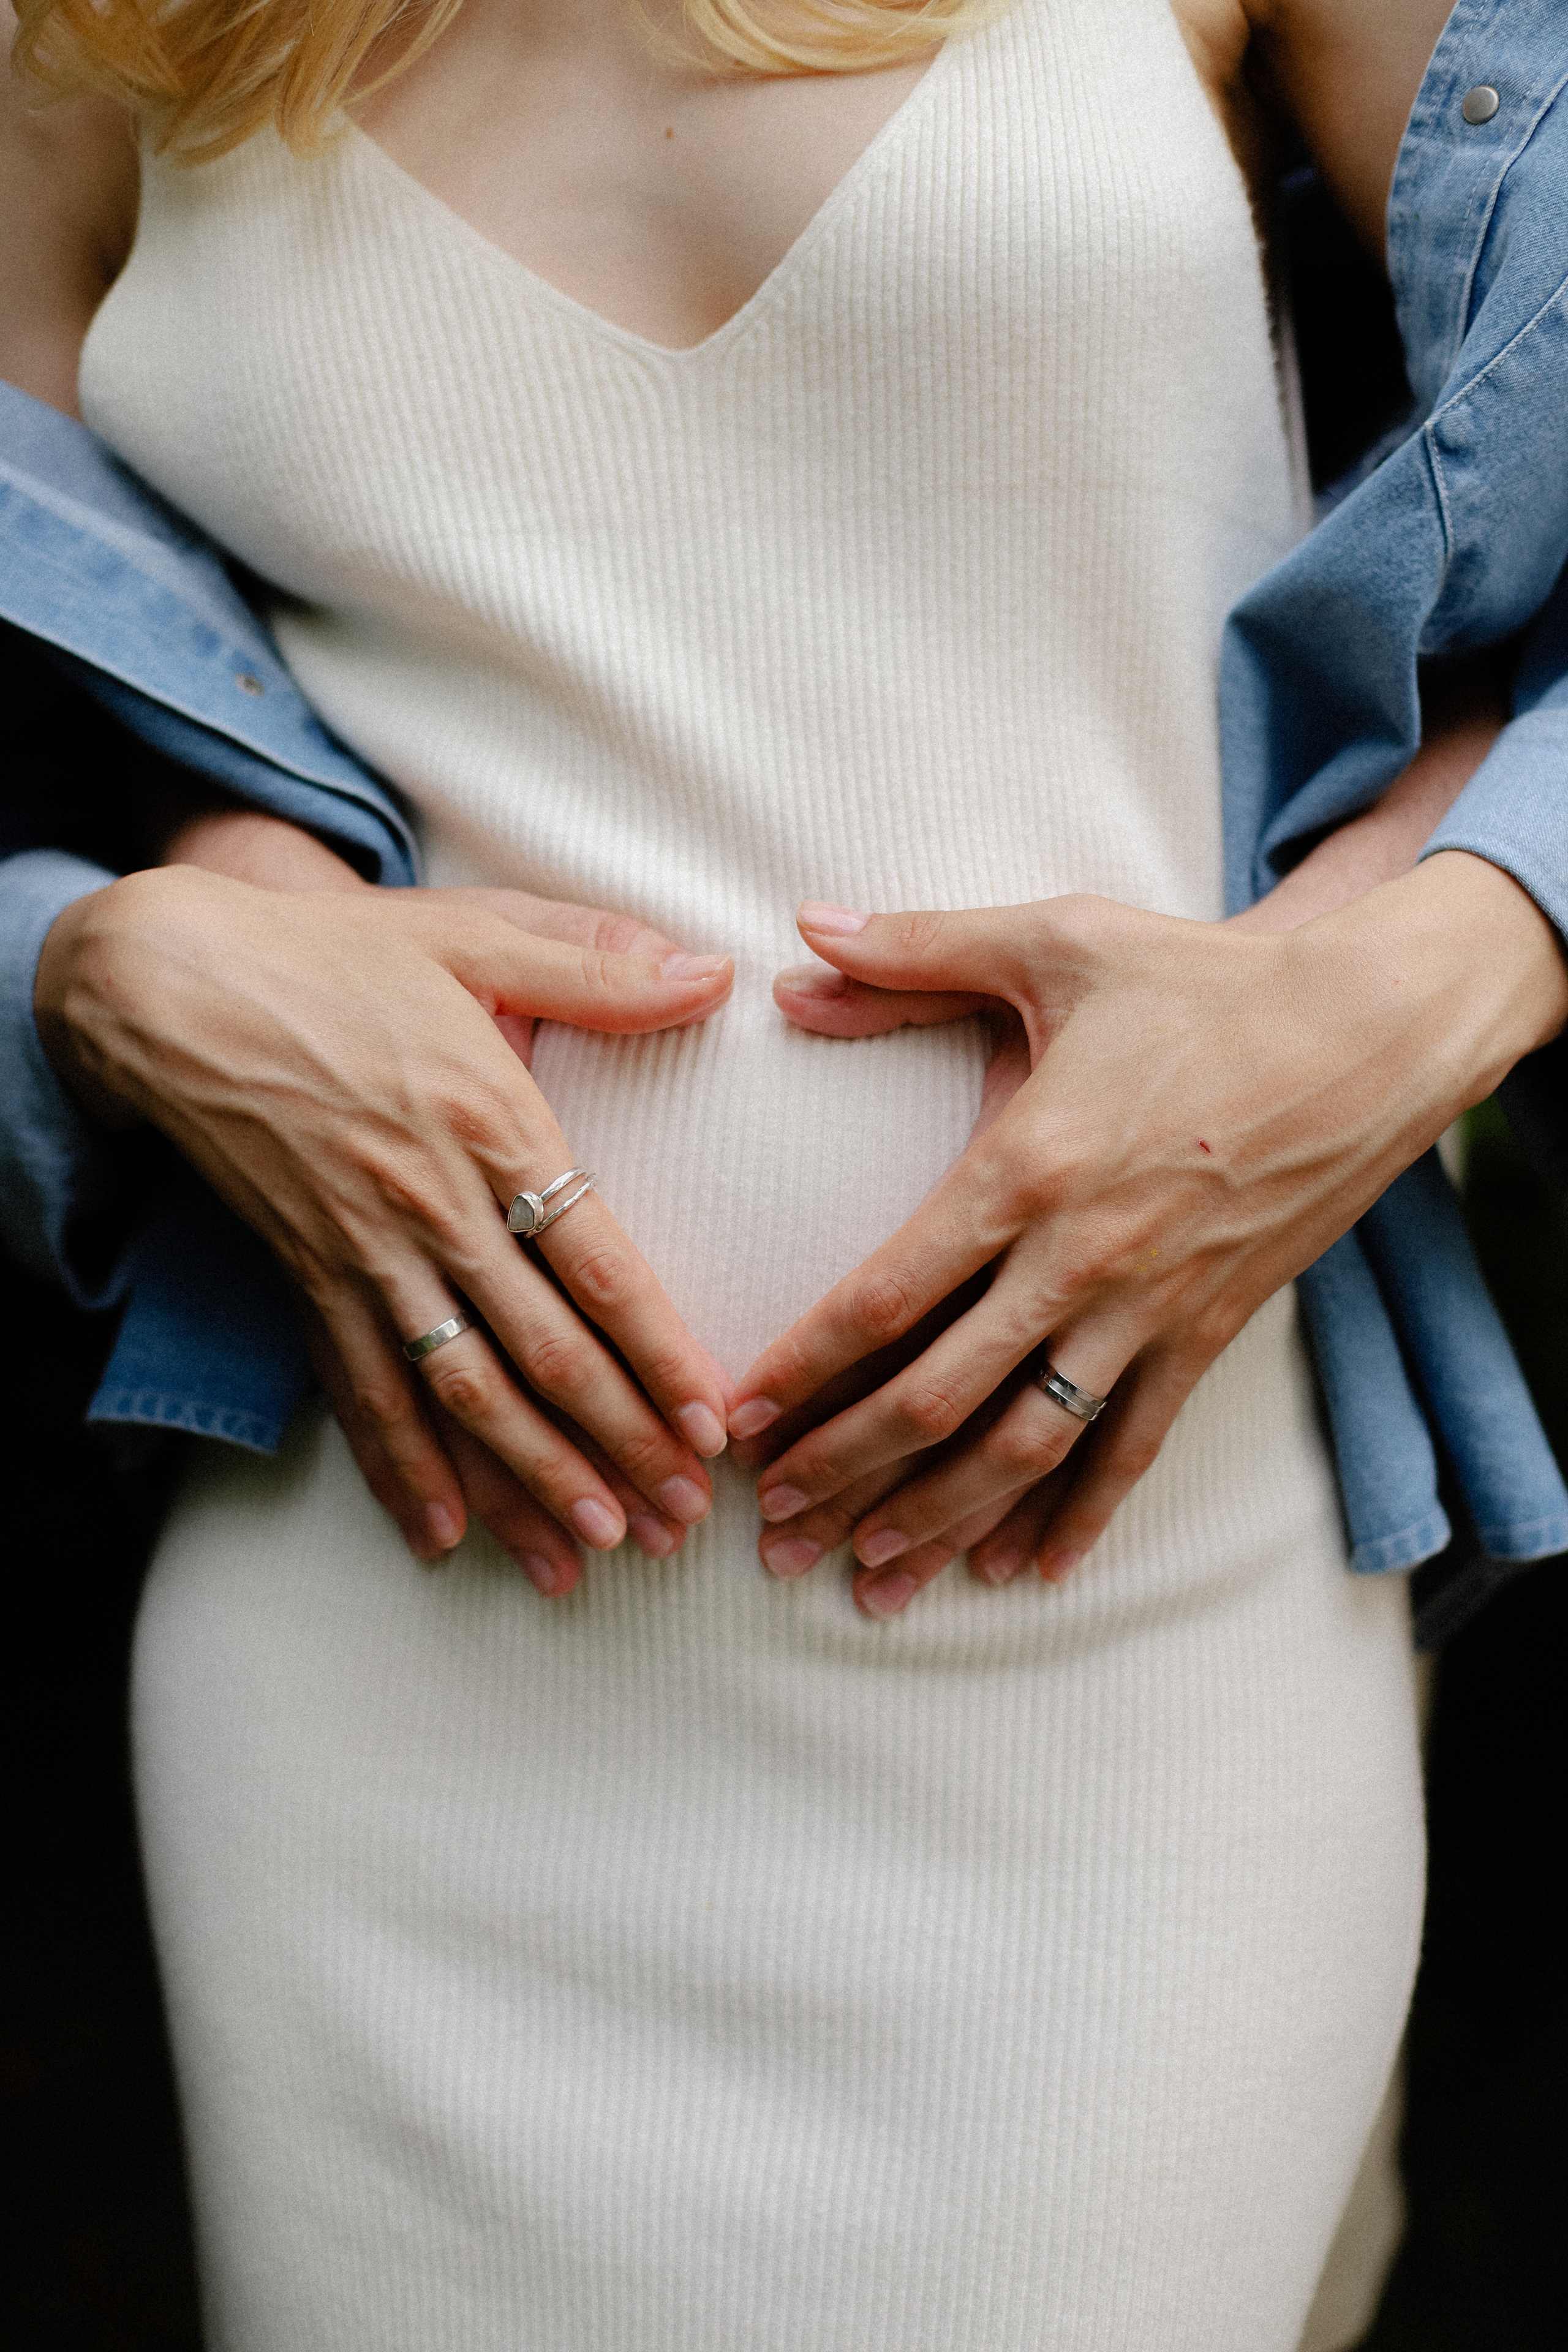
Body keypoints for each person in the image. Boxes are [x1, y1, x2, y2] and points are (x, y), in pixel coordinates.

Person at [2, 1, 1565, 2346]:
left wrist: (1448, 959)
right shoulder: (97, 32)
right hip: (401, 1632)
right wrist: (101, 954)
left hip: (1124, 1622)